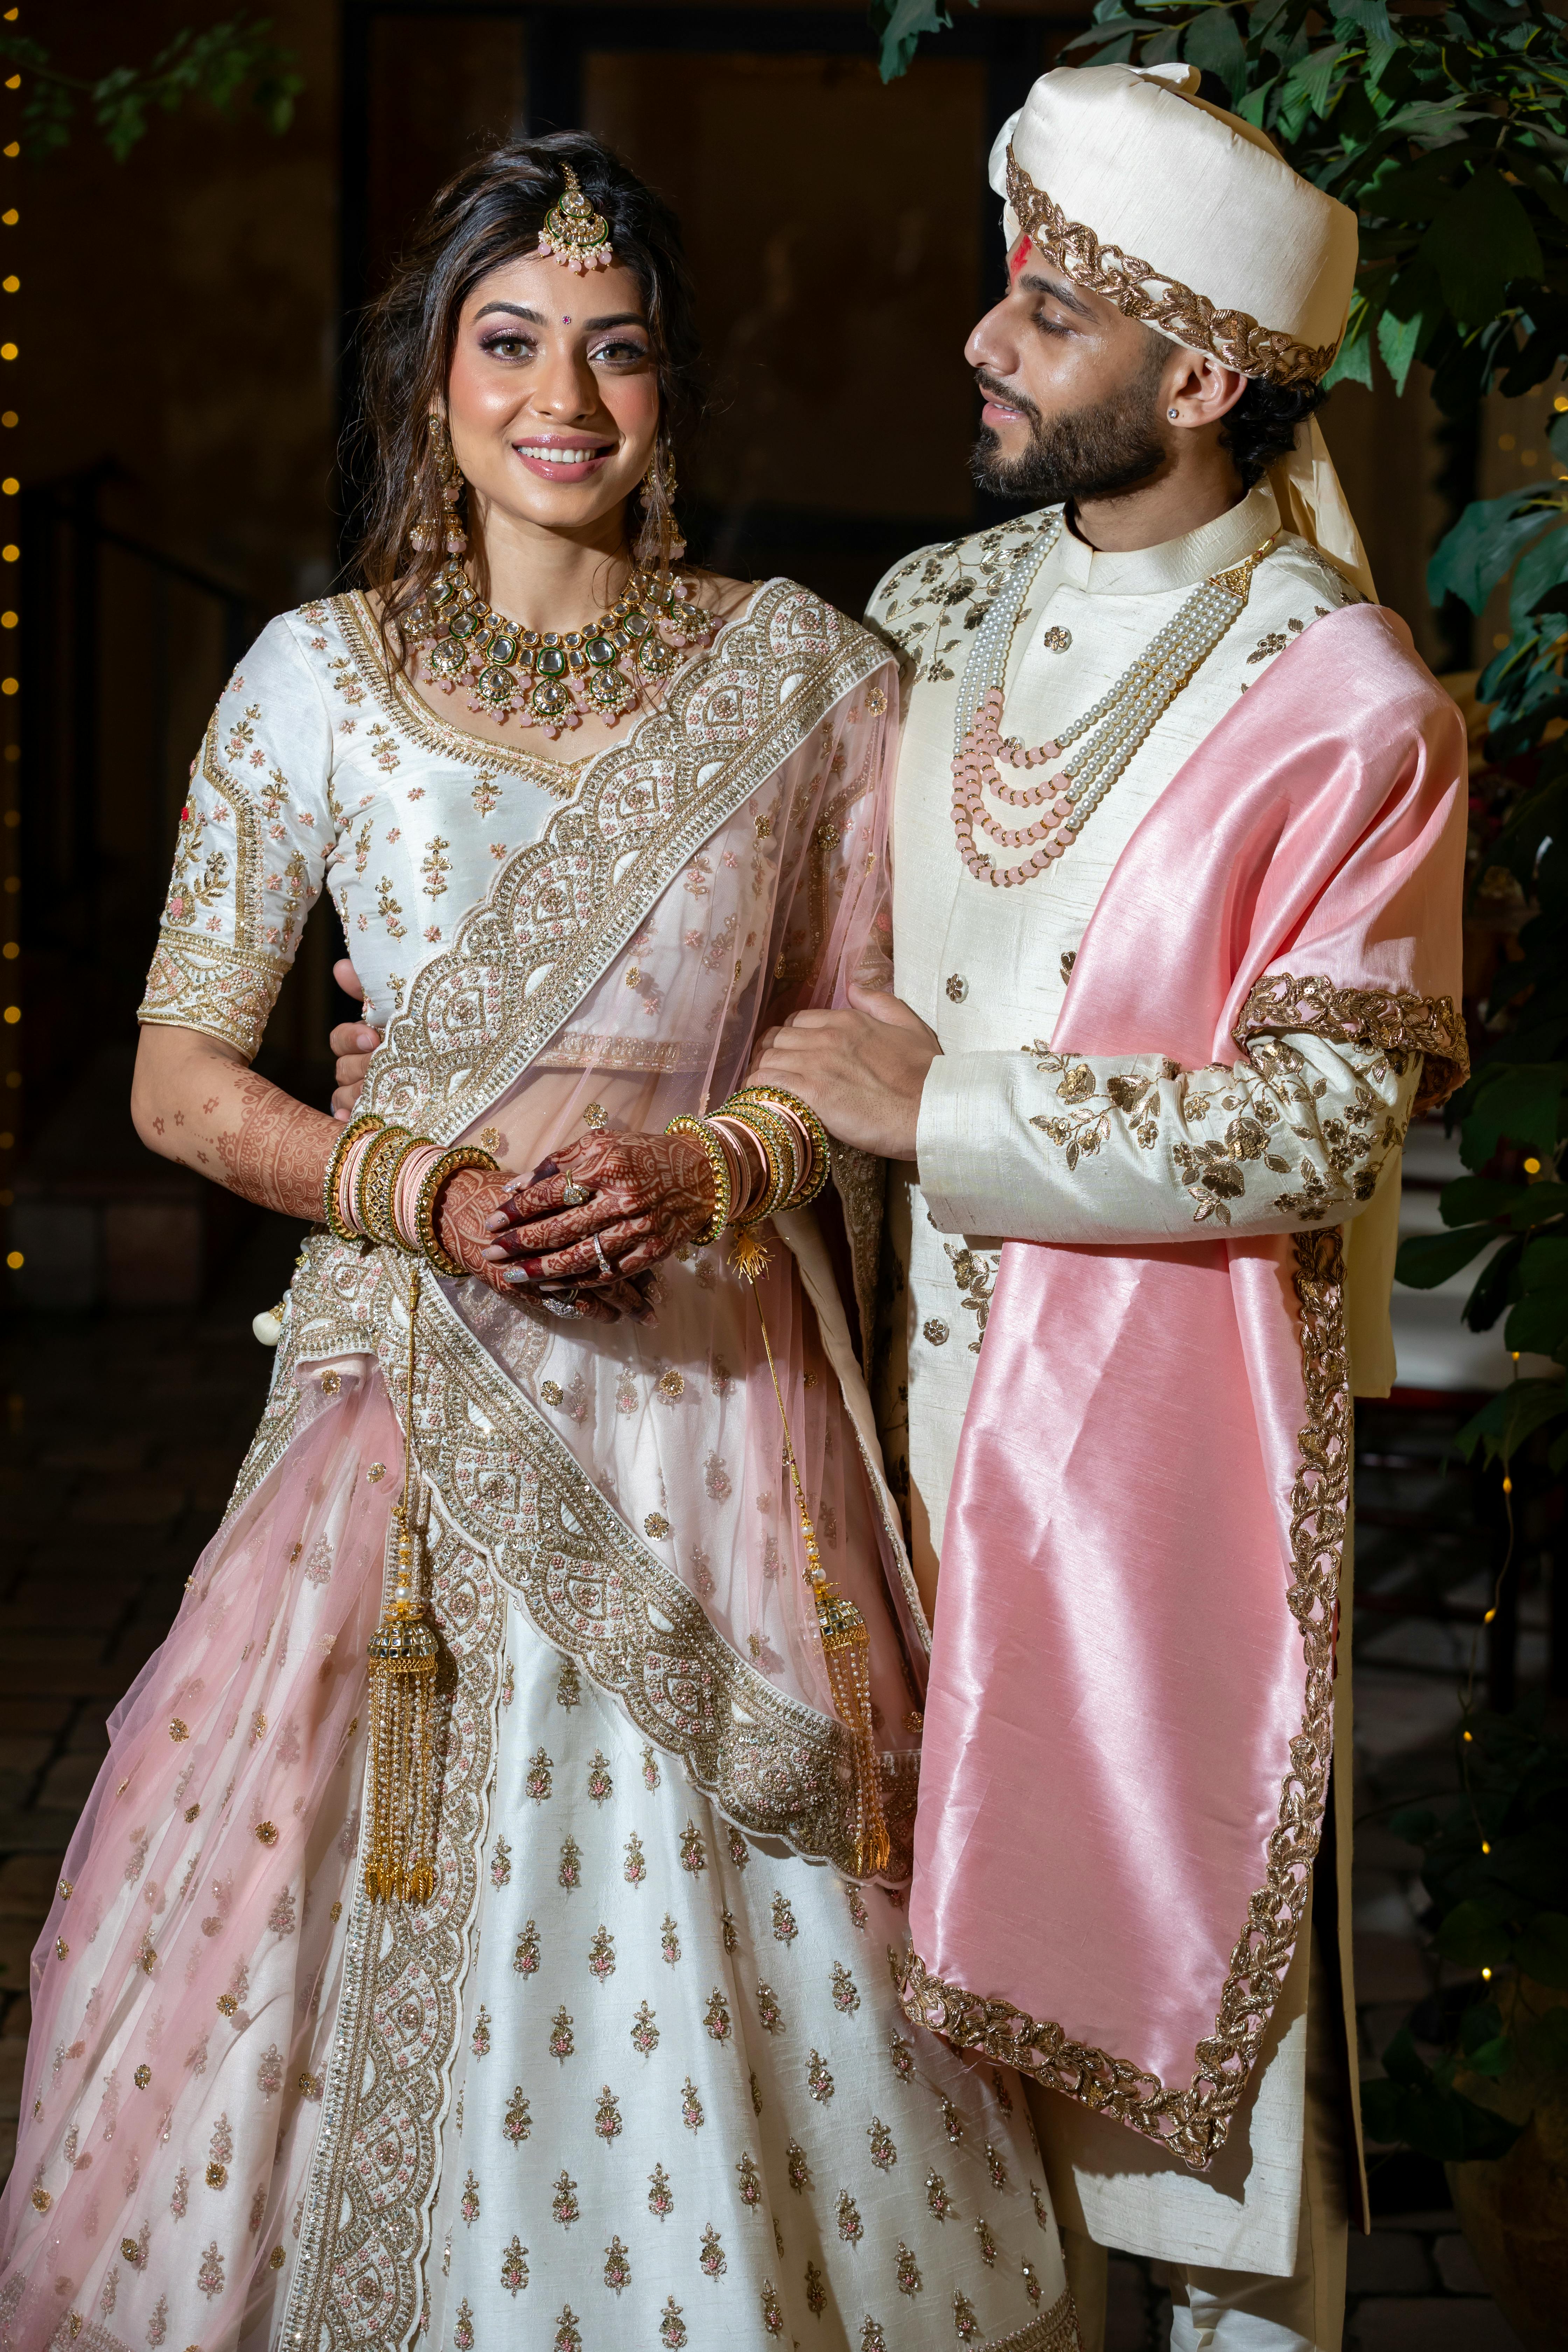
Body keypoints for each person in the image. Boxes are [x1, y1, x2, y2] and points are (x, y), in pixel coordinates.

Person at [0, 137, 1077, 2352]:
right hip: (408, 1413)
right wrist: (415, 1186)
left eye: (617, 349)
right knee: (312, 1918)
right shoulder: (315, 678)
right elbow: (179, 1075)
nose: (562, 394)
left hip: (714, 1411)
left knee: (729, 1948)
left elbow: (872, 1015)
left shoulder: (808, 679)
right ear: (431, 384)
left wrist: (714, 1166)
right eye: (509, 343)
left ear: (671, 396)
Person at [746, 63, 1469, 2352]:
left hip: (1151, 1474)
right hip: (861, 1429)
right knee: (897, 2072)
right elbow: (764, 956)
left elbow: (1307, 1135)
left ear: (1198, 376)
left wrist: (949, 1105)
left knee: (1193, 2110)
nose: (982, 335)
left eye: (1046, 311)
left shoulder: (1350, 712)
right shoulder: (930, 611)